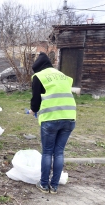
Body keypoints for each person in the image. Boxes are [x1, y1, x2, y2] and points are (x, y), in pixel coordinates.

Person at [29, 52, 76, 194]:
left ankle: (44, 184)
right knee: (59, 152)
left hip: (51, 119)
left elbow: (36, 101)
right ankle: (54, 186)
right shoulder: (63, 76)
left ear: (38, 68)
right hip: (69, 117)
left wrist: (33, 110)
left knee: (47, 152)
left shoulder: (39, 76)